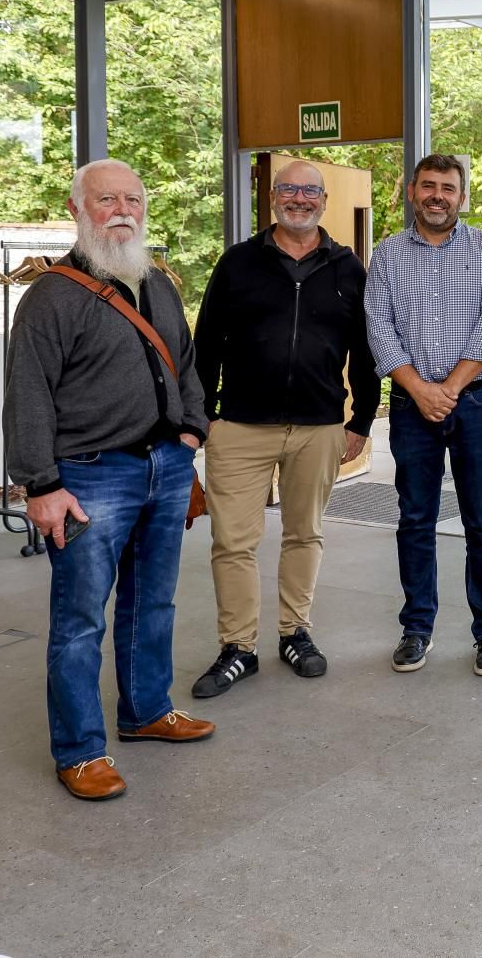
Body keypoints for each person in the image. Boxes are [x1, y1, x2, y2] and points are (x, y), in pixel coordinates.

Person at [4, 158, 214, 801]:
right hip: (89, 479)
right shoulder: (50, 296)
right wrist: (41, 485)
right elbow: (27, 395)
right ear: (77, 210)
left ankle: (146, 711)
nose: (123, 210)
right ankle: (79, 751)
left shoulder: (157, 284)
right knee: (79, 620)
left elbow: (186, 364)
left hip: (164, 467)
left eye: (133, 199)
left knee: (153, 601)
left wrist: (192, 430)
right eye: (106, 200)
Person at [189, 159, 380, 698]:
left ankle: (295, 632)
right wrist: (203, 415)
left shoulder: (347, 268)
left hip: (319, 426)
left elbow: (365, 353)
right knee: (232, 542)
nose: (299, 198)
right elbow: (206, 343)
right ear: (274, 198)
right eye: (289, 189)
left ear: (323, 201)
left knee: (305, 534)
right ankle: (238, 647)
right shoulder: (238, 262)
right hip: (239, 426)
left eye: (309, 191)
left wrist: (361, 420)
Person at [365, 154, 482, 676]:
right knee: (415, 518)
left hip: (474, 401)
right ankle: (416, 629)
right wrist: (420, 390)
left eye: (448, 188)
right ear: (412, 191)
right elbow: (378, 326)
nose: (437, 196)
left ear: (462, 197)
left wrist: (447, 389)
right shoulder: (387, 254)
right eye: (428, 186)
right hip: (411, 404)